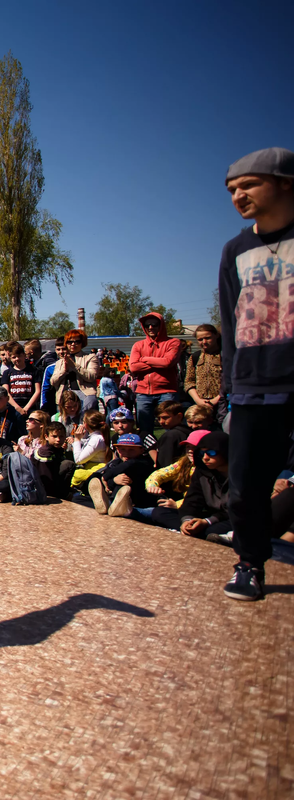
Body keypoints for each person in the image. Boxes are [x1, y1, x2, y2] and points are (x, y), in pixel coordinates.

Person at [214, 147, 294, 600]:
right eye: (231, 191)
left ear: (285, 182)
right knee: (245, 487)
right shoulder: (236, 250)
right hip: (253, 384)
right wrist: (230, 385)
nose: (237, 197)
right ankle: (249, 563)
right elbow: (230, 320)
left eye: (248, 185)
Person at [128, 311, 182, 437]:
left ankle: (172, 453)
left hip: (167, 391)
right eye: (147, 325)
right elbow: (133, 367)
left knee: (172, 427)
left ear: (161, 325)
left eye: (154, 324)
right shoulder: (138, 345)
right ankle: (147, 454)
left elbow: (167, 362)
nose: (151, 328)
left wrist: (144, 359)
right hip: (143, 393)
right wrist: (159, 362)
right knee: (144, 429)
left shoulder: (173, 342)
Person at [87, 433, 156, 518]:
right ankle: (107, 505)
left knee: (125, 479)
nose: (126, 453)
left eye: (131, 450)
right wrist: (113, 480)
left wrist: (106, 477)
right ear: (117, 450)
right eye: (122, 449)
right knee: (78, 498)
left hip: (138, 503)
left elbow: (130, 464)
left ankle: (112, 506)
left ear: (141, 450)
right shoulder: (116, 463)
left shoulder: (144, 463)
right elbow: (98, 479)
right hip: (114, 499)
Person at [49, 330, 100, 414]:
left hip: (84, 395)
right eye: (70, 342)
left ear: (82, 343)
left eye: (77, 342)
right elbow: (53, 382)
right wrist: (64, 371)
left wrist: (74, 366)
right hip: (64, 397)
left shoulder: (90, 357)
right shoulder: (60, 362)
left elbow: (91, 377)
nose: (73, 344)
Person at [185, 324, 224, 424]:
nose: (204, 342)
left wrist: (216, 399)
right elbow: (189, 382)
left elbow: (231, 381)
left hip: (222, 403)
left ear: (216, 335)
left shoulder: (225, 355)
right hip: (201, 404)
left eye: (208, 338)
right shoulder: (195, 357)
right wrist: (198, 400)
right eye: (200, 339)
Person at [69, 410, 109, 490]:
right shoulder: (96, 437)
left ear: (86, 425)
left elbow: (79, 460)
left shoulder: (97, 440)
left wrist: (77, 439)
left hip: (96, 471)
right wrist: (76, 442)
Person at [32, 421, 73, 499]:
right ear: (46, 437)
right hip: (43, 487)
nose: (58, 439)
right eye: (54, 436)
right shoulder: (45, 452)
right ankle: (63, 494)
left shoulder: (58, 450)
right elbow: (46, 477)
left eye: (61, 436)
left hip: (52, 482)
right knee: (68, 464)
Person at [4, 342, 40, 416]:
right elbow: (6, 392)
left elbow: (38, 391)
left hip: (30, 408)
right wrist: (17, 408)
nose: (17, 359)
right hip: (13, 409)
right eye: (14, 357)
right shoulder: (7, 373)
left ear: (24, 355)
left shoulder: (34, 371)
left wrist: (26, 408)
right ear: (10, 358)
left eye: (19, 356)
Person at [152, 401, 190, 469]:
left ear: (179, 416)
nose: (161, 421)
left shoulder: (170, 436)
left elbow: (165, 462)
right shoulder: (189, 432)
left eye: (165, 418)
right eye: (158, 418)